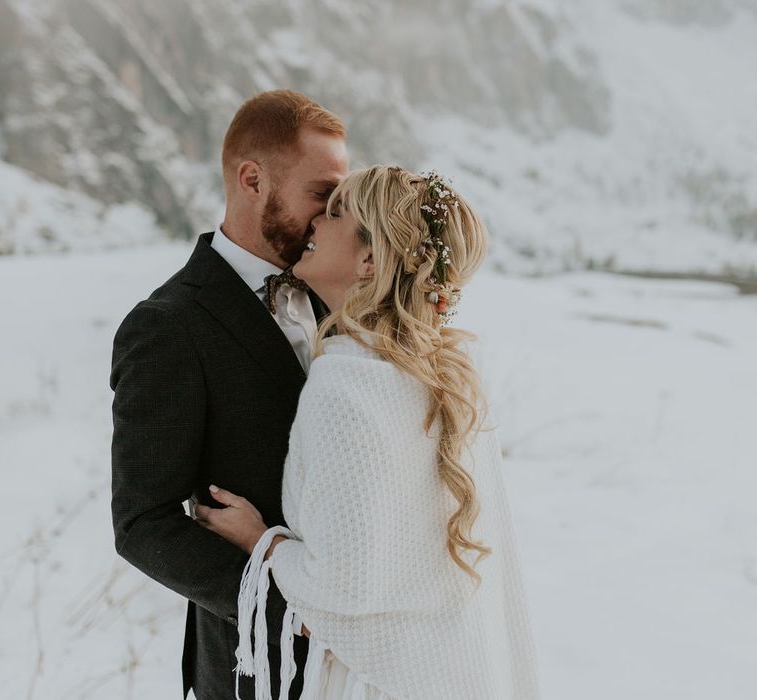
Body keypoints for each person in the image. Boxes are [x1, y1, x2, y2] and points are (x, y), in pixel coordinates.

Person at [194, 166, 541, 699]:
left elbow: (344, 584)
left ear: (370, 260)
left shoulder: (345, 383)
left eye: (335, 214)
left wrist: (259, 540)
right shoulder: (450, 375)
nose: (315, 221)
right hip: (459, 673)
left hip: (377, 683)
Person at [109, 89, 348, 700]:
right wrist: (287, 609)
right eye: (322, 195)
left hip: (364, 651)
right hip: (256, 663)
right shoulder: (167, 325)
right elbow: (142, 522)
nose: (331, 217)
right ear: (252, 180)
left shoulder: (340, 293)